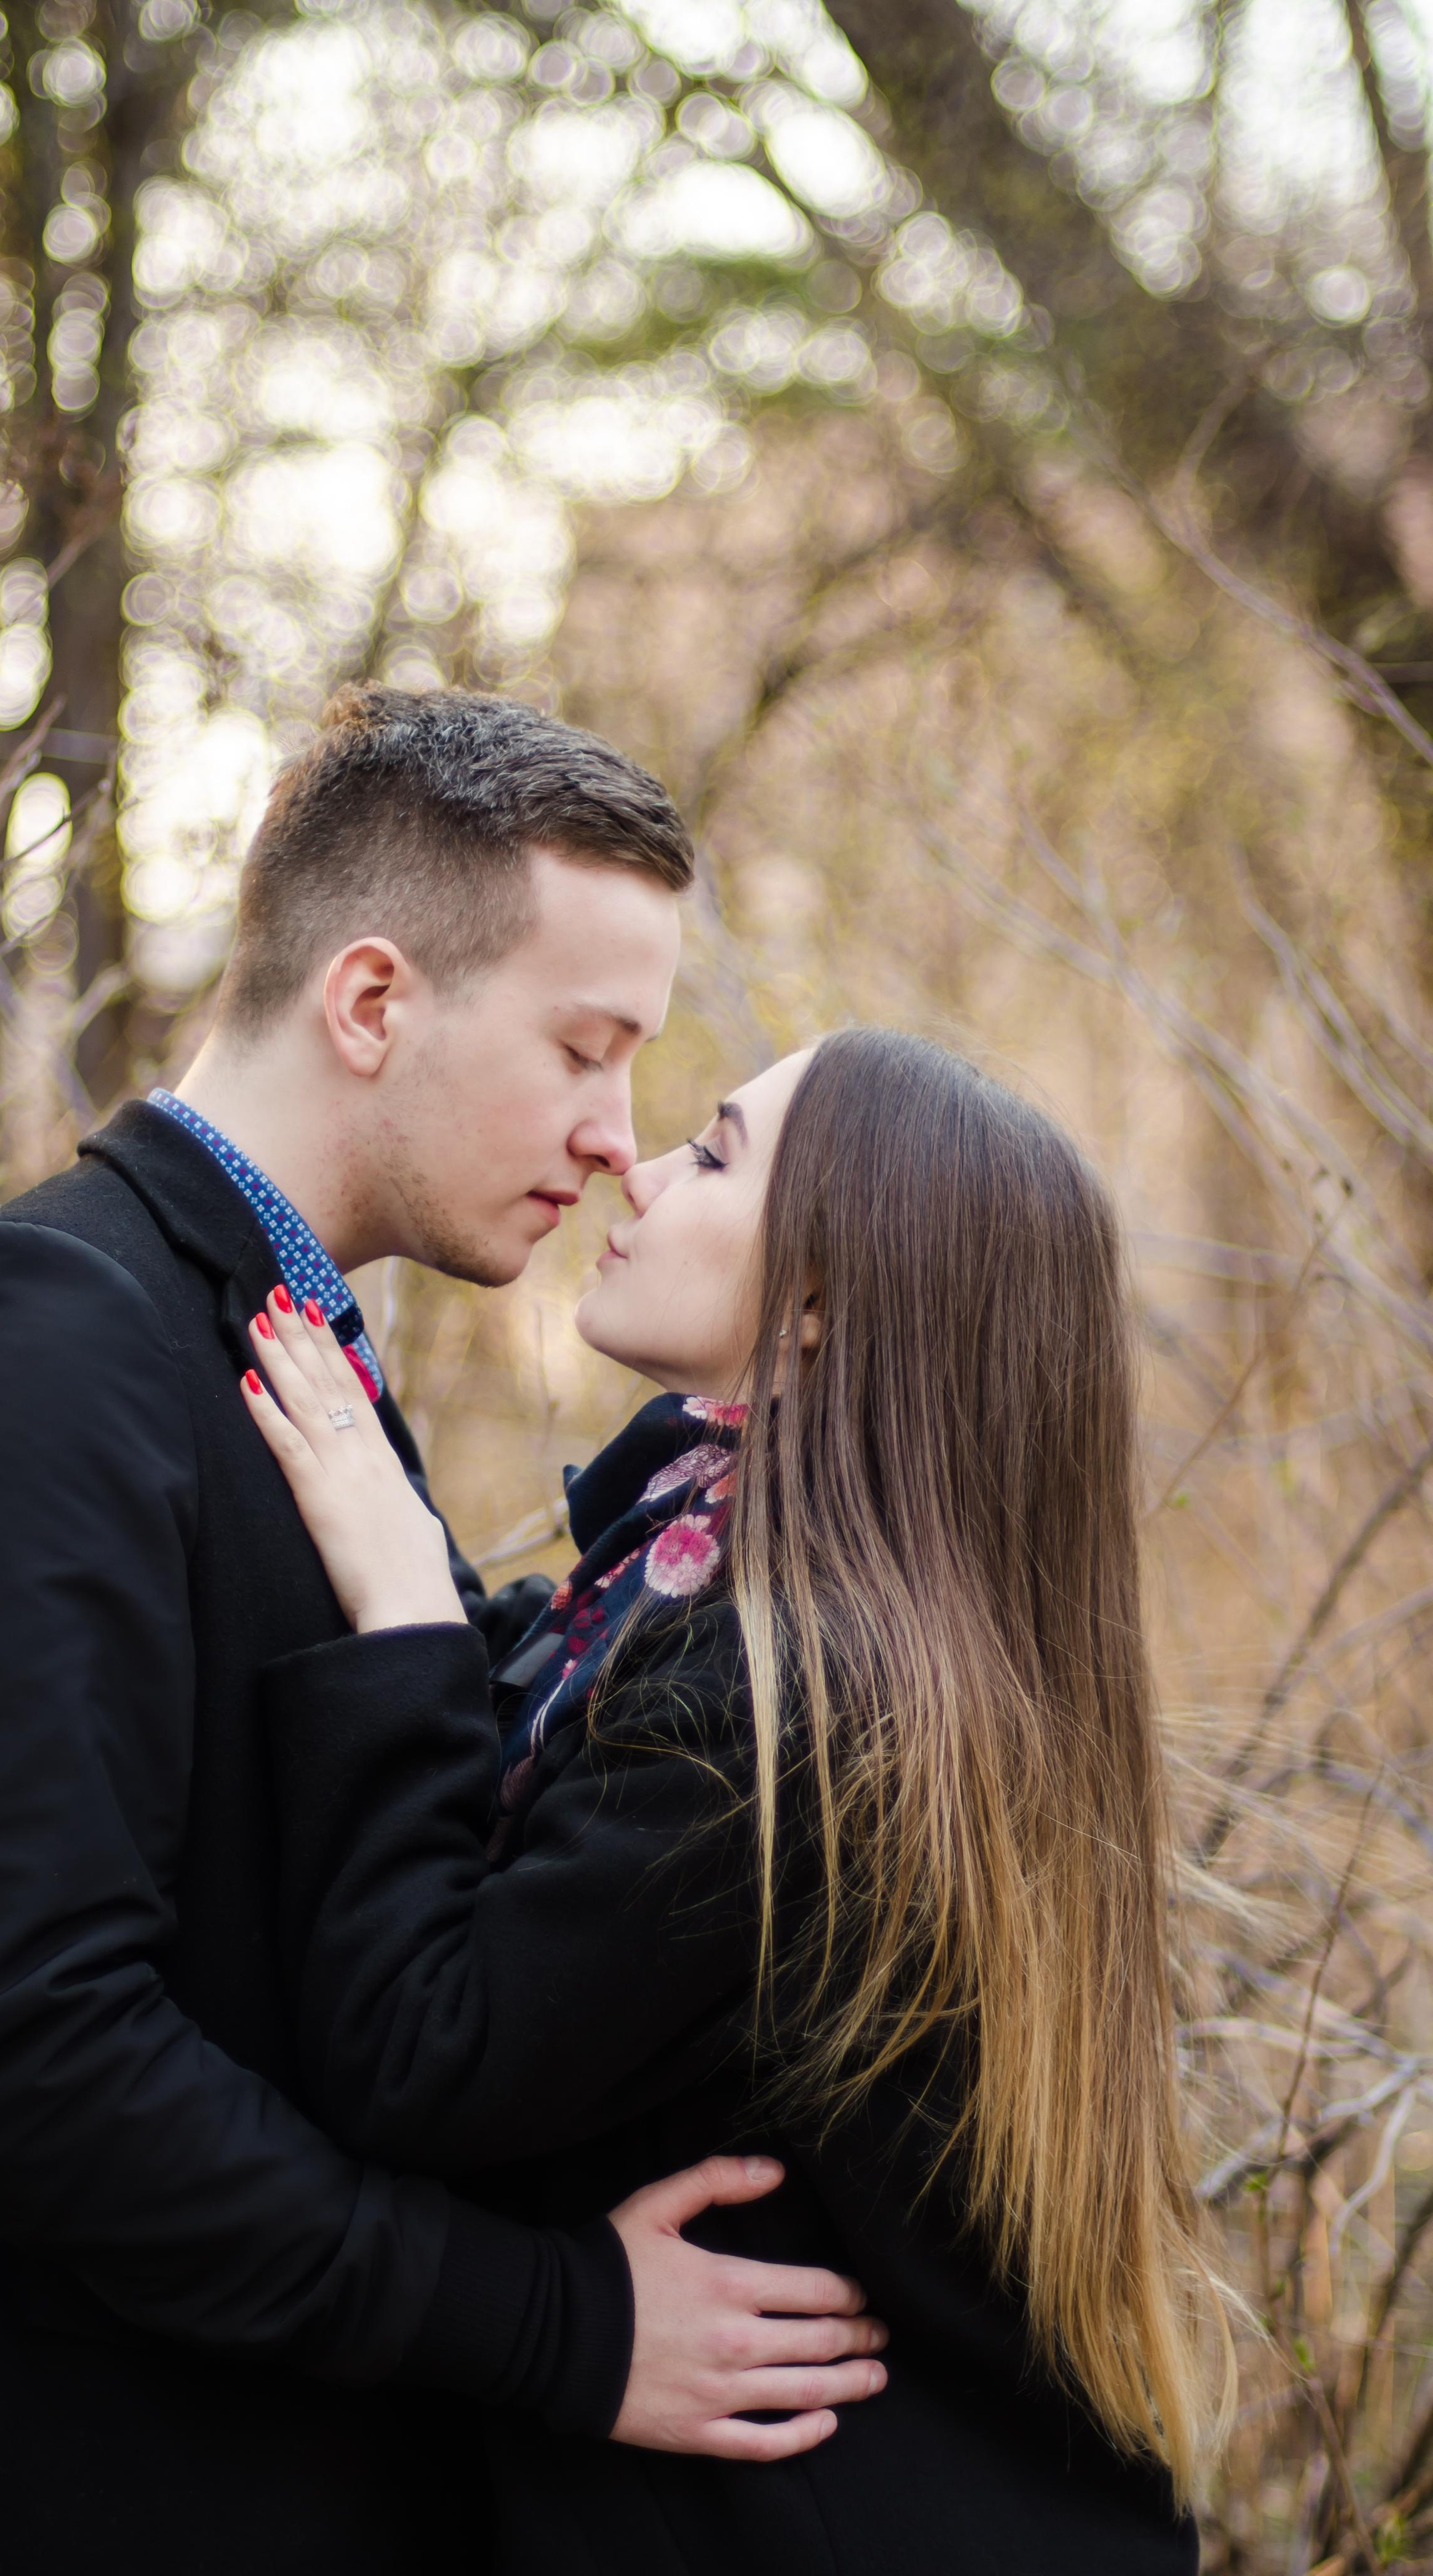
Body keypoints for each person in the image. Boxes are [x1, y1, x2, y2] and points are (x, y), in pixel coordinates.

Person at [0, 690, 885, 2576]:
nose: (614, 1140)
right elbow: (27, 2047)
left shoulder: (279, 1341)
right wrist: (554, 2322)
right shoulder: (53, 1338)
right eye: (585, 1052)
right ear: (371, 1003)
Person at [235, 1026, 1234, 2575]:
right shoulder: (711, 1599)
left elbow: (417, 2059)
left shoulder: (790, 1704)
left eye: (710, 1151)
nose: (632, 1162)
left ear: (822, 1306)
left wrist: (401, 1611)